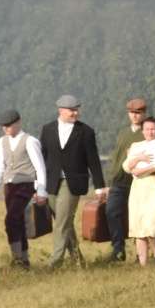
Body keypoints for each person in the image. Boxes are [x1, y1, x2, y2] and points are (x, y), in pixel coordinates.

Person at [38, 95, 107, 269]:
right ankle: (78, 260)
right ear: (60, 110)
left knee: (62, 221)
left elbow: (93, 160)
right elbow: (42, 158)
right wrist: (38, 184)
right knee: (64, 221)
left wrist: (99, 186)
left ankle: (55, 262)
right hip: (51, 182)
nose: (75, 113)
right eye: (72, 110)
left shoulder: (86, 131)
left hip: (73, 182)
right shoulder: (47, 129)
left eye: (77, 109)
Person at [0, 110, 48, 268]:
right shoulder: (2, 142)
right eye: (3, 127)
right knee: (18, 221)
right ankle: (23, 258)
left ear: (18, 123)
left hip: (26, 186)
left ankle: (17, 257)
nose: (5, 129)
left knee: (11, 219)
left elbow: (40, 167)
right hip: (10, 186)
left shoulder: (30, 141)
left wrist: (41, 191)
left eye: (8, 126)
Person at [104, 98, 148, 262]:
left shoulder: (149, 131)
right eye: (132, 113)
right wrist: (109, 182)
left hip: (139, 180)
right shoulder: (123, 132)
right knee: (112, 211)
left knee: (138, 216)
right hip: (119, 180)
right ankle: (118, 249)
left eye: (138, 113)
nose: (135, 116)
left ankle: (140, 253)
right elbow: (116, 157)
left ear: (144, 113)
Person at [123, 116, 155, 266]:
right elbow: (126, 166)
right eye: (147, 129)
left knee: (153, 221)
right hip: (139, 187)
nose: (150, 132)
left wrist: (142, 170)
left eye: (153, 129)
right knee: (139, 223)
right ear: (142, 131)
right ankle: (143, 263)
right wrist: (138, 159)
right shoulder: (136, 146)